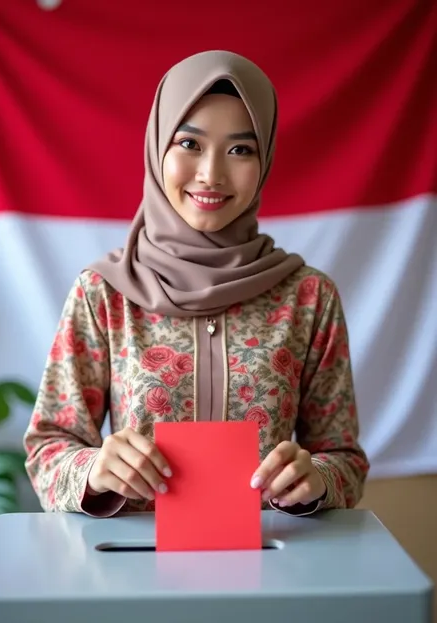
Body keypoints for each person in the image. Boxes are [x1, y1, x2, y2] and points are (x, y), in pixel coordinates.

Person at [23, 50, 369, 518]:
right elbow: (49, 448)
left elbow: (345, 459)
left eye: (240, 150)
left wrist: (318, 478)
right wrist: (92, 469)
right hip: (131, 569)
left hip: (274, 566)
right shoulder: (104, 294)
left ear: (264, 159)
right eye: (189, 144)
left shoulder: (308, 298)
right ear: (157, 146)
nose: (211, 173)